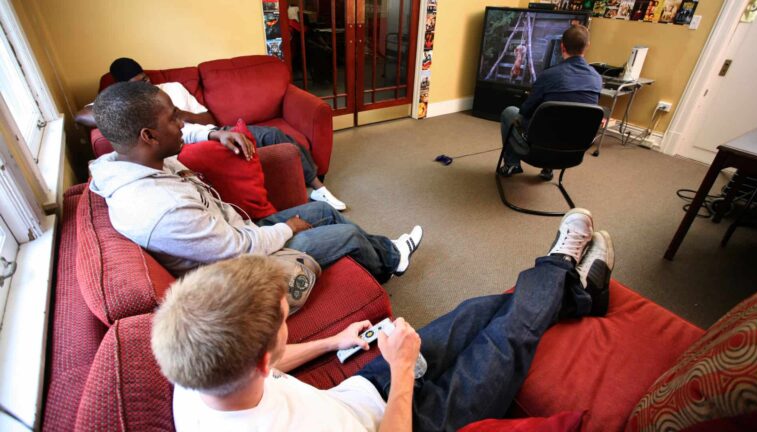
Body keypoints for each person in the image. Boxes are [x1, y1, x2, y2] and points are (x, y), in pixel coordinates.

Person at [152, 208, 615, 431]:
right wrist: (400, 370)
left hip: (364, 390)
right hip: (414, 421)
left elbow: (270, 363)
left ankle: (575, 298)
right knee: (508, 337)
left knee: (475, 310)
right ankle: (559, 264)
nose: (286, 316)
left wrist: (335, 341)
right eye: (284, 317)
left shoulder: (197, 374)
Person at [88, 81, 422, 282]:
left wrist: (216, 133)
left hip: (238, 231)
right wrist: (288, 227)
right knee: (345, 233)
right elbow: (237, 251)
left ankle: (389, 252)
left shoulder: (130, 159)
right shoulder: (161, 208)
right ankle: (386, 265)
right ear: (148, 135)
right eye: (173, 118)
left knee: (323, 213)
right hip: (244, 268)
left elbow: (188, 133)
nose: (182, 122)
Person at [76, 57, 347, 211]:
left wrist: (176, 113)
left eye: (145, 80)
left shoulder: (170, 88)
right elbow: (80, 114)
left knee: (274, 136)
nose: (145, 86)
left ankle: (318, 188)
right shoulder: (120, 104)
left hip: (208, 132)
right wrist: (126, 111)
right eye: (136, 86)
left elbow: (209, 120)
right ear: (124, 89)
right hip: (175, 148)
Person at [498, 24, 603, 181]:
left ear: (562, 46)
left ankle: (512, 164)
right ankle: (549, 169)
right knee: (566, 119)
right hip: (572, 152)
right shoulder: (596, 78)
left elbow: (525, 111)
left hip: (537, 149)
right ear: (587, 46)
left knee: (510, 112)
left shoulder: (549, 75)